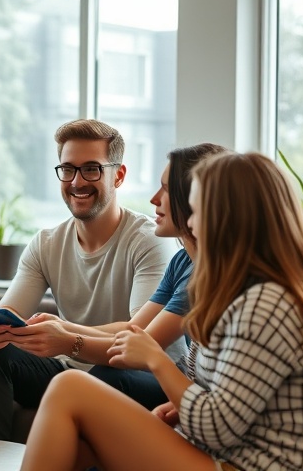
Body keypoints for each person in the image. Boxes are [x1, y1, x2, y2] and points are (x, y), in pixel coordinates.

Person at [21, 151, 303, 471]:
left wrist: (155, 360)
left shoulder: (266, 304)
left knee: (70, 387)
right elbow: (226, 398)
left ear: (226, 218)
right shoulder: (246, 292)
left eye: (198, 210)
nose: (190, 221)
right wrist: (176, 408)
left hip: (244, 466)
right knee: (80, 448)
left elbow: (217, 427)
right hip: (224, 454)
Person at [0, 119, 177, 441]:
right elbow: (9, 311)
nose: (77, 181)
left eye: (91, 169)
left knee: (110, 373)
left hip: (143, 377)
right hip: (72, 371)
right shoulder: (47, 243)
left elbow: (139, 336)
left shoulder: (150, 240)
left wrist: (65, 335)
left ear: (118, 175)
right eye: (68, 169)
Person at [24, 143, 226, 410]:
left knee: (104, 377)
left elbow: (142, 346)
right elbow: (136, 329)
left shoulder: (204, 272)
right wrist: (64, 328)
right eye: (68, 170)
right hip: (189, 392)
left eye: (166, 189)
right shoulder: (183, 260)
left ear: (195, 200)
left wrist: (67, 341)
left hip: (178, 387)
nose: (154, 199)